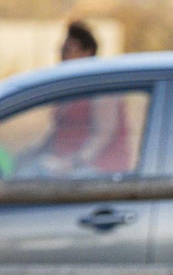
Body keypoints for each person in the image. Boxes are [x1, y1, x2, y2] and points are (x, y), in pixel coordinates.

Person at [24, 21, 132, 176]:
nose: (61, 55)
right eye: (61, 49)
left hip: (97, 173)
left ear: (86, 52)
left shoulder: (100, 85)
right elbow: (56, 132)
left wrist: (70, 163)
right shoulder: (69, 87)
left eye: (67, 50)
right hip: (65, 168)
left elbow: (102, 135)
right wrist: (29, 154)